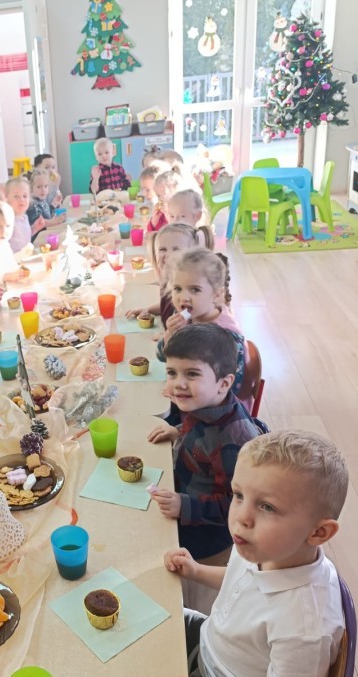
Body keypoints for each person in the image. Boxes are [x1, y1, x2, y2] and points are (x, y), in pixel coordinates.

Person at [165, 430, 348, 677]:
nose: (241, 517)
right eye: (238, 495)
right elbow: (242, 579)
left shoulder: (303, 632)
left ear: (318, 532)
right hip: (210, 642)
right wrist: (196, 571)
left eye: (267, 507)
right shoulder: (267, 548)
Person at [148, 324, 261, 610]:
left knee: (177, 595)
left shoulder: (233, 443)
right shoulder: (206, 405)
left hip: (207, 538)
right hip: (187, 500)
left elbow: (236, 505)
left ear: (224, 383)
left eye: (192, 374)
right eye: (172, 372)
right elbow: (201, 432)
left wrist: (184, 506)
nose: (178, 384)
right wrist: (178, 432)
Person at [156, 247, 250, 409]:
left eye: (195, 289)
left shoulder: (227, 337)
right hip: (187, 394)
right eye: (177, 289)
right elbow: (162, 356)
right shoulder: (189, 317)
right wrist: (170, 334)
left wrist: (180, 394)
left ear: (216, 294)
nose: (183, 297)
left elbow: (230, 390)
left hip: (217, 412)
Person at [126, 223, 213, 328]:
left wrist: (170, 333)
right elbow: (171, 306)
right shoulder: (170, 280)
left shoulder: (192, 288)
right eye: (162, 249)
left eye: (176, 249)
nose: (168, 255)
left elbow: (189, 316)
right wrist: (148, 309)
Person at [0, 201, 29, 287]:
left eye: (8, 226)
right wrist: (5, 277)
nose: (4, 231)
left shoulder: (4, 244)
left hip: (11, 285)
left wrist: (22, 255)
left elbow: (10, 262)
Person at [5, 176, 40, 255]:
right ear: (7, 198)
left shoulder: (25, 217)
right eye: (16, 196)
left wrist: (35, 228)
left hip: (26, 256)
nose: (22, 199)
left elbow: (22, 237)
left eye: (25, 196)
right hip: (15, 259)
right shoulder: (8, 220)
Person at [26, 169, 66, 235]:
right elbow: (40, 222)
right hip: (38, 237)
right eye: (39, 187)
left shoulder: (42, 200)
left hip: (46, 233)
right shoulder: (33, 204)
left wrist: (54, 204)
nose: (43, 190)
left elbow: (47, 216)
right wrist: (55, 221)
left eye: (45, 186)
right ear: (31, 188)